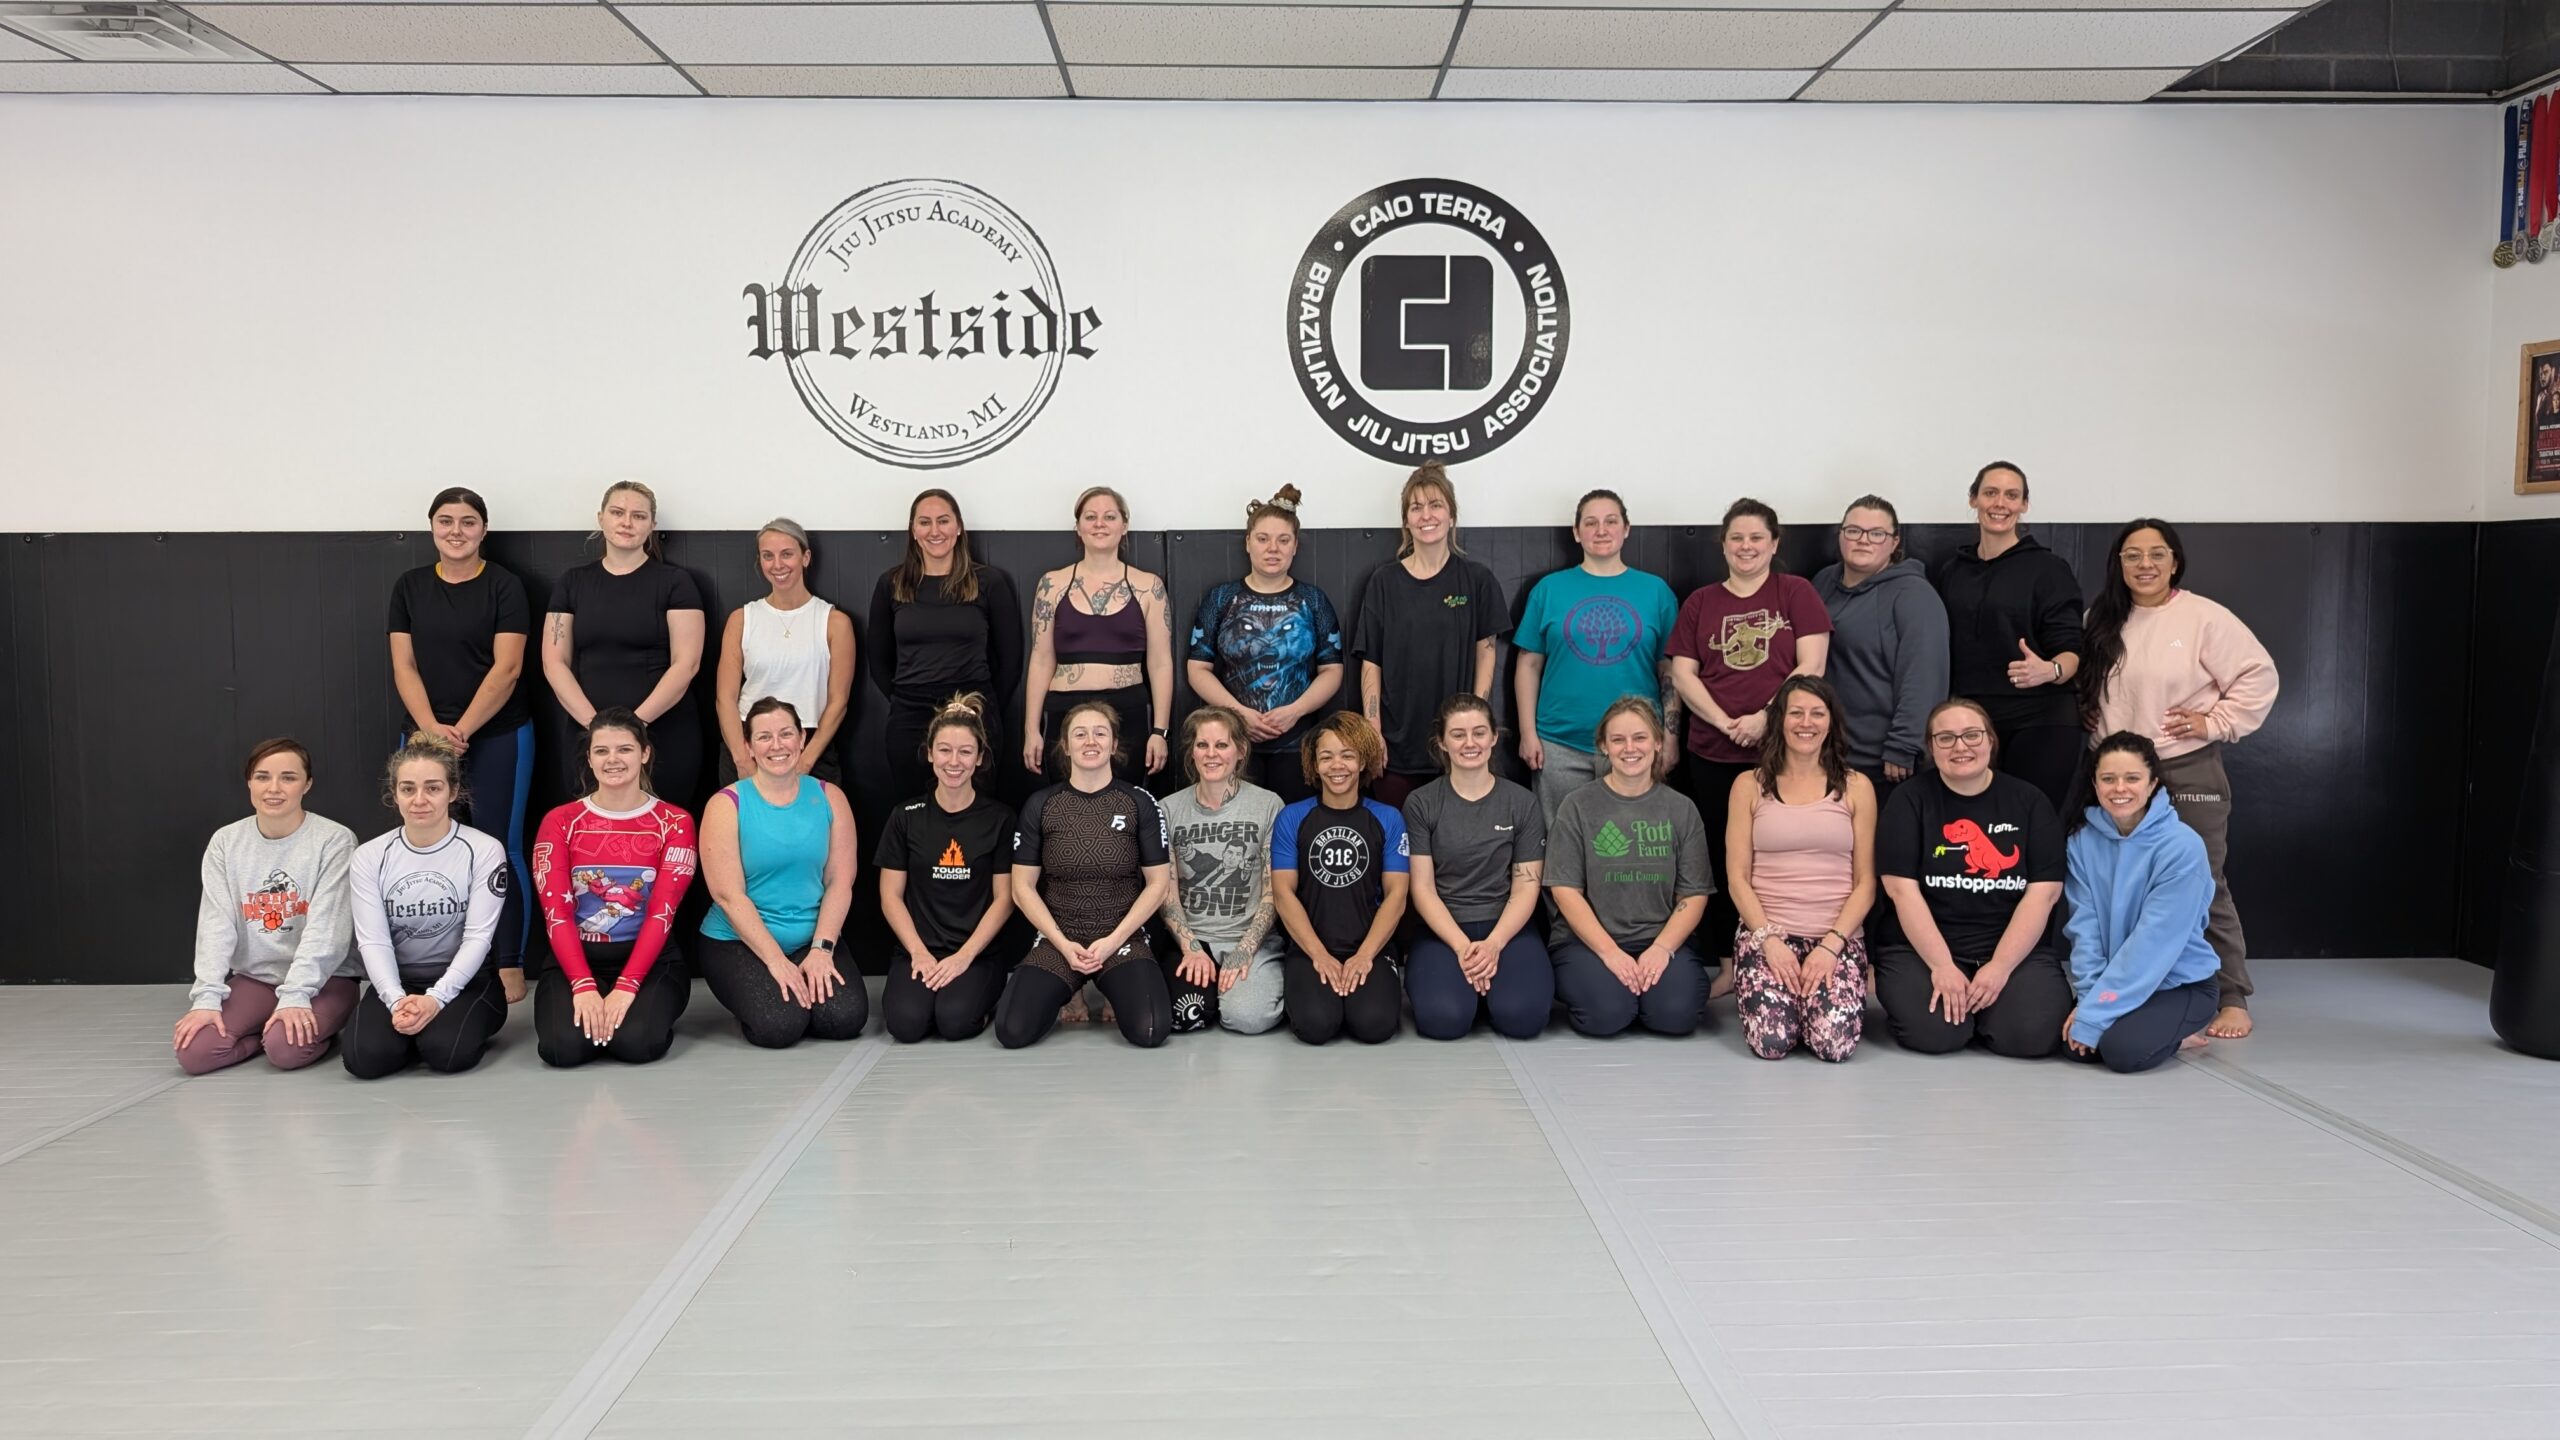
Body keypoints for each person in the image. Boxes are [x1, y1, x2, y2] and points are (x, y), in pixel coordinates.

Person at [2079, 516, 2279, 1041]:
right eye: (2132, 555)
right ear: (2118, 565)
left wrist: (2214, 722)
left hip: (2182, 764)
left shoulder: (2203, 618)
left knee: (2202, 882)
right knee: (2111, 885)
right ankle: (2120, 989)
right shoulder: (2099, 619)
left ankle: (2231, 994)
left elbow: (2259, 676)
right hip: (2113, 768)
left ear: (2175, 562)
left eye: (2156, 554)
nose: (2145, 564)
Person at [1669, 498, 1831, 973]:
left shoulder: (1795, 592)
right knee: (1722, 859)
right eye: (1737, 538)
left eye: (1756, 537)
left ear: (1774, 543)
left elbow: (1812, 665)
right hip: (1713, 753)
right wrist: (1724, 722)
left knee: (1782, 858)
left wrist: (1766, 717)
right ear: (1723, 545)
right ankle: (1724, 959)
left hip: (1786, 751)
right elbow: (1683, 674)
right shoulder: (1702, 602)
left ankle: (1780, 953)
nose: (1746, 546)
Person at [387, 485, 535, 1003]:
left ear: (484, 530)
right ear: (432, 528)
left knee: (501, 847)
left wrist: (464, 730)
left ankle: (510, 964)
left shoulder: (505, 586)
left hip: (497, 734)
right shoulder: (409, 586)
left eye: (468, 522)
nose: (456, 531)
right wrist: (429, 731)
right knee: (427, 847)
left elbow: (508, 667)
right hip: (423, 735)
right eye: (446, 521)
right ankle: (434, 958)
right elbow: (403, 665)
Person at [1871, 698, 2072, 1058]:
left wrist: (2000, 967)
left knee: (2030, 1038)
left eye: (1971, 735)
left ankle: (1989, 1010)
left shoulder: (2029, 801)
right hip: (1922, 949)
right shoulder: (1909, 800)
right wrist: (1942, 966)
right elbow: (1900, 891)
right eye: (1945, 738)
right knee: (1936, 1035)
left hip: (2009, 948)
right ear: (1930, 747)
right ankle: (1969, 1012)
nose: (1960, 746)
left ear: (1991, 741)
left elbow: (2044, 894)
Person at [993, 699, 1174, 1049]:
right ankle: (1070, 990)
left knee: (1150, 1030)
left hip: (1121, 940)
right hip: (1060, 939)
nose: (1090, 741)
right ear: (1065, 745)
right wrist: (1062, 942)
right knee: (1012, 1031)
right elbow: (1022, 887)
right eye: (1080, 734)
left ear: (1114, 744)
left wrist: (1112, 941)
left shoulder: (1139, 803)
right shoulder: (1041, 804)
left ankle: (1110, 987)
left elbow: (1158, 884)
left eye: (1100, 733)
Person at [174, 738, 360, 1074]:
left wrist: (295, 996)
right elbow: (216, 926)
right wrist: (206, 998)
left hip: (325, 981)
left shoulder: (334, 840)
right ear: (249, 782)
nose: (274, 788)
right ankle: (266, 1030)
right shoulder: (226, 842)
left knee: (286, 1050)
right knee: (196, 1053)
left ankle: (300, 1032)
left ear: (307, 784)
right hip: (257, 979)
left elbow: (328, 932)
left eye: (288, 777)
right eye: (262, 777)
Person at [530, 709, 697, 1067]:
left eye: (624, 749)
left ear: (645, 754)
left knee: (637, 1044)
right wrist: (582, 986)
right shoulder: (560, 821)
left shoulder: (674, 822)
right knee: (563, 1049)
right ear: (589, 758)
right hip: (574, 959)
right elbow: (556, 913)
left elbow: (661, 912)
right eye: (602, 751)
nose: (613, 760)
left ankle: (636, 1006)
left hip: (651, 961)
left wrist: (627, 987)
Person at [340, 733, 512, 1079]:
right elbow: (372, 941)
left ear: (453, 790)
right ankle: (410, 1025)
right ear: (395, 794)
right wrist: (394, 1000)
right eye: (408, 789)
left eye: (432, 788)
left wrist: (435, 1000)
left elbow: (478, 937)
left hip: (467, 982)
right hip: (400, 980)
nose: (419, 800)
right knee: (365, 1059)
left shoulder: (483, 849)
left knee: (445, 1052)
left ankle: (432, 1025)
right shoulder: (369, 856)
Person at [1722, 677, 1875, 1062]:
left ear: (1830, 723)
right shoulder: (1748, 786)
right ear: (1779, 721)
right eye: (1796, 713)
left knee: (1833, 1045)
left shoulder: (1857, 787)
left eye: (1817, 714)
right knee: (1771, 1043)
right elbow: (1738, 879)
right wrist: (1768, 941)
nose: (1806, 723)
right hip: (1769, 933)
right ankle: (1793, 1007)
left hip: (1834, 937)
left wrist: (1830, 946)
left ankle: (1812, 1008)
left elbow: (1865, 882)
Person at [697, 698, 865, 1049]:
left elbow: (839, 882)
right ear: (748, 747)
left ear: (802, 738)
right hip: (738, 942)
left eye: (786, 733)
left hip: (808, 939)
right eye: (764, 737)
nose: (777, 745)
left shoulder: (830, 797)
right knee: (780, 1026)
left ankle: (800, 977)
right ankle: (759, 995)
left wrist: (821, 950)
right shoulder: (726, 804)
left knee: (844, 1019)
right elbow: (728, 895)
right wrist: (775, 961)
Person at [1545, 698, 1712, 1038]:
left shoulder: (1681, 809)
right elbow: (1565, 891)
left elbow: (1693, 895)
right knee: (1606, 1015)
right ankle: (1624, 993)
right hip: (1588, 943)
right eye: (1618, 740)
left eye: (1640, 738)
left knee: (1674, 1016)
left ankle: (1645, 993)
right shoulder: (1577, 805)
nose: (1629, 748)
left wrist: (1662, 950)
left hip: (1662, 940)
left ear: (1658, 743)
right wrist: (1610, 954)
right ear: (1604, 747)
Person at [1515, 490, 1681, 825]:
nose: (1601, 530)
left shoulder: (1656, 591)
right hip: (1559, 745)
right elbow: (1529, 665)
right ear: (1576, 532)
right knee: (1563, 846)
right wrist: (1527, 733)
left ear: (1627, 528)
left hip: (1635, 745)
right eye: (1590, 523)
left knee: (1630, 847)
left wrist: (1671, 737)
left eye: (1611, 521)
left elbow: (1669, 671)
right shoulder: (1549, 589)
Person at [2061, 732, 2223, 1073]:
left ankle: (2181, 1032)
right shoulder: (2081, 841)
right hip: (2120, 980)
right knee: (2076, 1048)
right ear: (2095, 783)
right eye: (2109, 778)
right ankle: (2148, 1025)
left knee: (2122, 1051)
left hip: (2178, 983)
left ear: (2152, 784)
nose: (2120, 788)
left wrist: (2095, 1014)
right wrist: (2090, 997)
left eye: (2132, 778)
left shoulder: (2182, 847)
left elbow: (2153, 942)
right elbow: (2084, 927)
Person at [543, 480, 709, 810]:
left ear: (652, 525)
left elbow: (686, 664)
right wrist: (599, 733)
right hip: (587, 733)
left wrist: (634, 729)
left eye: (638, 515)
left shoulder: (676, 583)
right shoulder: (572, 583)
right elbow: (554, 662)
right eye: (618, 513)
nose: (627, 523)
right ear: (601, 518)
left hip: (664, 733)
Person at [1352, 462, 1508, 807]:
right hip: (1397, 746)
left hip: (1458, 745)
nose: (1427, 515)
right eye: (1416, 507)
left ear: (1451, 515)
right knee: (1400, 852)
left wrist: (1475, 723)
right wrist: (1372, 730)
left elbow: (1486, 652)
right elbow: (1371, 661)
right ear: (1406, 519)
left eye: (1436, 505)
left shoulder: (1476, 579)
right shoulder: (1384, 582)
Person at [1932, 462, 2084, 813]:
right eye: (1990, 493)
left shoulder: (2049, 569)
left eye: (2011, 495)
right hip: (1972, 720)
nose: (2000, 503)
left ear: (2024, 505)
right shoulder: (1953, 571)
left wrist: (2051, 671)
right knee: (1974, 824)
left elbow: (2072, 648)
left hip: (2040, 718)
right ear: (1974, 499)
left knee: (2032, 822)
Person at [1403, 695, 1551, 1041]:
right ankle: (1470, 988)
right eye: (1458, 734)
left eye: (1479, 733)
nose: (1470, 743)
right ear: (1442, 742)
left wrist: (1493, 945)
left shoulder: (1522, 803)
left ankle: (1492, 990)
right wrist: (1462, 949)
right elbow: (1422, 888)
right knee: (1444, 1022)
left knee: (1523, 1019)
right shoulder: (1421, 803)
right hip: (1445, 929)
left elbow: (1526, 886)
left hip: (1507, 928)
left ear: (1494, 737)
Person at [1186, 484, 1344, 805]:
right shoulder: (1222, 598)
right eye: (1263, 539)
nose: (1273, 548)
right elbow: (1197, 668)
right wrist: (1239, 713)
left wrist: (1295, 711)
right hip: (1234, 744)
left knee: (1290, 832)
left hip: (1297, 743)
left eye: (1283, 540)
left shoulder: (1312, 600)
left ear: (1295, 546)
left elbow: (1332, 670)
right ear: (1248, 543)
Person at [878, 693, 1020, 1044]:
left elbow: (1005, 898)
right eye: (944, 750)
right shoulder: (905, 817)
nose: (953, 761)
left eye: (965, 752)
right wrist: (918, 952)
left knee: (955, 1022)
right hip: (919, 949)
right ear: (929, 753)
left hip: (976, 953)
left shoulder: (1000, 819)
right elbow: (890, 895)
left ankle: (986, 994)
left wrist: (964, 957)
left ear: (979, 758)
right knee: (906, 1025)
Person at [867, 489, 1024, 804]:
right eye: (925, 522)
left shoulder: (989, 582)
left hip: (975, 711)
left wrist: (982, 705)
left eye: (943, 521)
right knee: (915, 812)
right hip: (910, 716)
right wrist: (906, 697)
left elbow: (1010, 661)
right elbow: (878, 660)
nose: (934, 531)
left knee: (976, 812)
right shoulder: (892, 584)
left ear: (959, 527)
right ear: (913, 530)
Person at [1271, 713, 1409, 1044]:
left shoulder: (1388, 818)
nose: (1338, 765)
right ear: (1314, 764)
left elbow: (1396, 896)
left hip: (1370, 946)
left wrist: (1364, 956)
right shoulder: (1293, 817)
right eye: (1327, 756)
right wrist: (1318, 954)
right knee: (1316, 1026)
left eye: (1348, 755)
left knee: (1373, 1025)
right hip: (1311, 947)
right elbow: (1283, 894)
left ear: (1363, 761)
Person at [1024, 486, 1174, 787]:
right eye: (1090, 517)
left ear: (1124, 525)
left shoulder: (1149, 586)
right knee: (1065, 803)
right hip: (1064, 709)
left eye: (1109, 516)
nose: (1099, 524)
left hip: (1128, 710)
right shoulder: (1052, 584)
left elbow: (1160, 663)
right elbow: (1041, 660)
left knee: (1126, 806)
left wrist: (1160, 731)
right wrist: (1031, 729)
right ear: (1078, 527)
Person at [1158, 705, 1286, 1035]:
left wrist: (1244, 951)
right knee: (1185, 1016)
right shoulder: (1168, 809)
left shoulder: (1268, 804)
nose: (1211, 754)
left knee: (1247, 1018)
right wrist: (1191, 948)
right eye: (1202, 745)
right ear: (1191, 752)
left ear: (1240, 751)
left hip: (1249, 940)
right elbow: (1166, 893)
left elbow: (1274, 891)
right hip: (1193, 940)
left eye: (1222, 745)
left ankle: (1240, 988)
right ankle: (1211, 993)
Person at [1812, 495, 1947, 803]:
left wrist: (1904, 745)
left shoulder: (1914, 595)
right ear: (1841, 535)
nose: (1864, 540)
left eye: (1877, 534)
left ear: (1894, 542)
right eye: (1854, 531)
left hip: (1883, 762)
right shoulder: (1822, 583)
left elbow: (1924, 676)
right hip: (1826, 752)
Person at [714, 518, 854, 787]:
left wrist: (807, 760)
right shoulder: (742, 619)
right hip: (750, 741)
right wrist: (742, 757)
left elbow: (838, 701)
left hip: (812, 743)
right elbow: (725, 697)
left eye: (787, 554)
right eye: (768, 556)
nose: (777, 565)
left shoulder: (834, 622)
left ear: (805, 557)